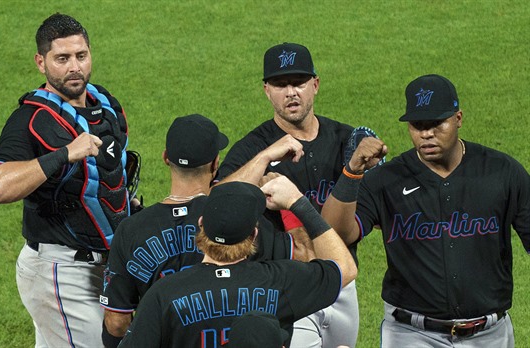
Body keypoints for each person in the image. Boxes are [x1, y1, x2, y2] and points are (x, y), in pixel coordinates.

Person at [322, 74, 530, 348]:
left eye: (436, 123)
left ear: (458, 118)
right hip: (412, 334)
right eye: (418, 125)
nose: (426, 133)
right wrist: (352, 172)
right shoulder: (386, 180)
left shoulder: (502, 172)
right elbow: (335, 235)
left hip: (490, 335)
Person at [0, 13, 135, 347]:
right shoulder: (29, 119)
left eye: (81, 56)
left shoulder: (105, 103)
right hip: (59, 270)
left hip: (105, 263)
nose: (74, 67)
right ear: (41, 62)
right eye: (62, 58)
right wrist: (63, 154)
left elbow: (108, 176)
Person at [100, 114, 309, 347]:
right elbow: (304, 256)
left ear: (166, 158)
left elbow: (116, 322)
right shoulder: (239, 221)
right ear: (215, 163)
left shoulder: (131, 230)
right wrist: (289, 205)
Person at [215, 42, 362, 347]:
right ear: (266, 90)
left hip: (342, 282)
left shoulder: (345, 140)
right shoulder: (253, 147)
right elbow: (218, 201)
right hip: (286, 288)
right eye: (281, 84)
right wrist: (266, 156)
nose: (291, 92)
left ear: (315, 85)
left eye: (298, 83)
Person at [118, 178, 358, 347]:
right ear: (254, 235)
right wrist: (297, 202)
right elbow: (345, 268)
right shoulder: (281, 281)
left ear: (201, 225)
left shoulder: (164, 293)